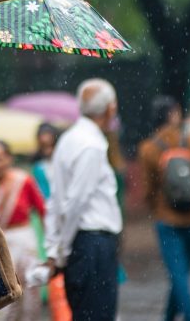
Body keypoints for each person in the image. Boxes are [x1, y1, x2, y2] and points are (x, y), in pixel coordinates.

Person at [44, 78, 123, 321]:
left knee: (84, 313)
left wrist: (55, 246)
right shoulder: (92, 145)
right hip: (91, 244)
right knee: (97, 315)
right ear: (110, 108)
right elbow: (75, 202)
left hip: (84, 245)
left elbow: (56, 198)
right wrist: (62, 249)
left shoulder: (69, 139)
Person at [137, 95, 190, 321]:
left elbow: (148, 190)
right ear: (172, 115)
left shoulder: (148, 148)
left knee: (178, 275)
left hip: (166, 220)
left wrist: (156, 207)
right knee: (181, 275)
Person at [0, 140, 46, 321]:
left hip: (23, 240)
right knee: (6, 293)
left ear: (9, 158)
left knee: (29, 290)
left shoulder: (23, 181)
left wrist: (50, 247)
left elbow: (42, 211)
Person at [31, 123, 60, 200]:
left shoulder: (63, 162)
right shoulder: (39, 166)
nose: (48, 150)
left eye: (50, 146)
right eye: (44, 146)